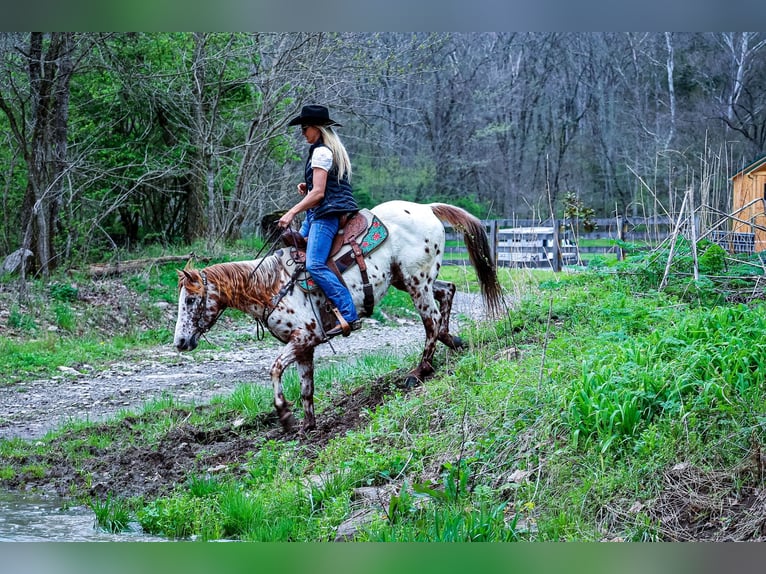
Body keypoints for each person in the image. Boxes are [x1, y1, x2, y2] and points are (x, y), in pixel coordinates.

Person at [277, 104, 361, 338]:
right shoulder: (321, 150)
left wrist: (292, 212)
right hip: (319, 212)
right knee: (294, 250)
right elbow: (320, 189)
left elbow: (320, 194)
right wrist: (309, 188)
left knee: (314, 264)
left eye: (305, 128)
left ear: (316, 128)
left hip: (327, 215)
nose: (303, 132)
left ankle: (348, 313)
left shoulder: (322, 152)